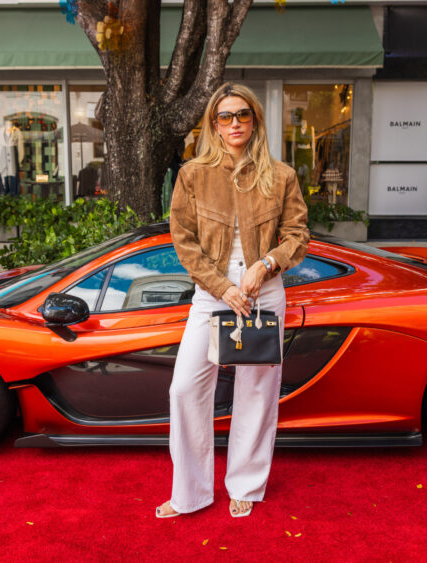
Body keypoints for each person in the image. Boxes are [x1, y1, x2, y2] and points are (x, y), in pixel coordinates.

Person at [157, 83, 310, 519]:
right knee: (185, 388)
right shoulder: (193, 175)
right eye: (225, 116)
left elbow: (298, 235)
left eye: (242, 114)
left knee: (256, 393)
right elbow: (183, 241)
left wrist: (264, 265)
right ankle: (190, 492)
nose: (234, 123)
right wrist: (222, 287)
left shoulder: (280, 176)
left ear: (255, 119)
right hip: (212, 294)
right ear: (213, 124)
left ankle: (246, 484)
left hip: (264, 294)